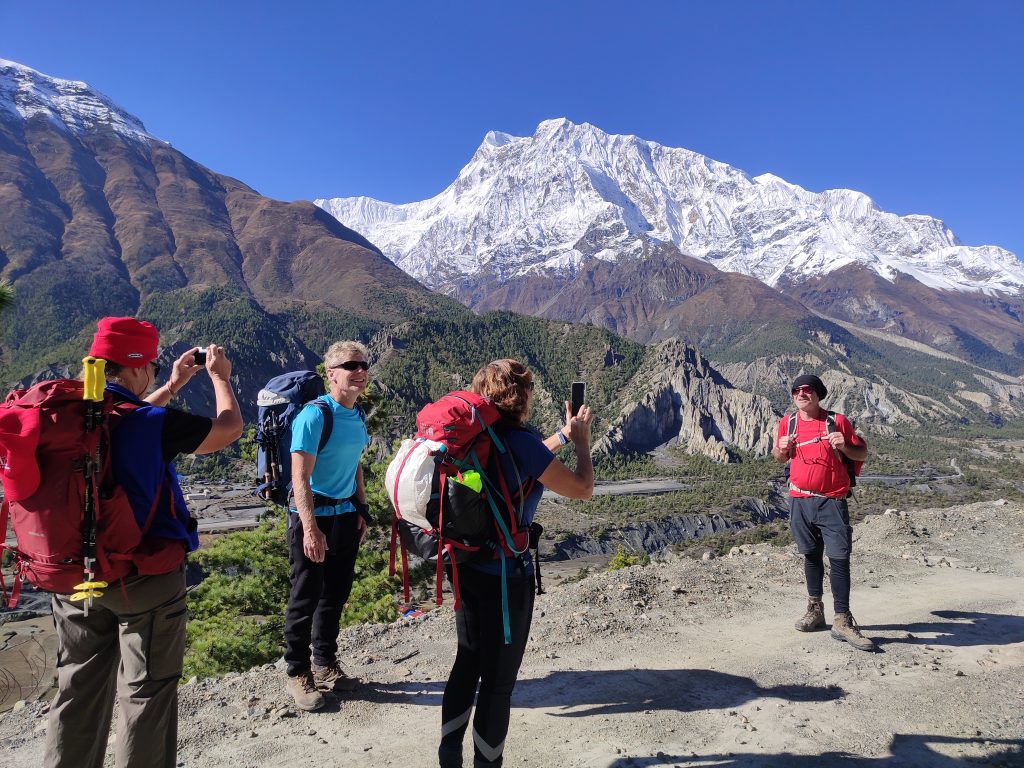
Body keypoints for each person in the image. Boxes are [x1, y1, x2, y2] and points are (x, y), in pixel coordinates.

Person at [45, 317, 243, 768]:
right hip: (142, 579)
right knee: (146, 695)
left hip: (72, 576)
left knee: (76, 690)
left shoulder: (70, 412)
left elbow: (126, 420)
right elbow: (228, 429)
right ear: (135, 367)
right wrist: (220, 379)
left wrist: (172, 385)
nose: (153, 372)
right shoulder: (148, 422)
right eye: (151, 364)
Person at [439, 359, 595, 768]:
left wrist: (562, 434)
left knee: (466, 663)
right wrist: (581, 442)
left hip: (468, 567)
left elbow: (521, 460)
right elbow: (582, 489)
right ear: (523, 397)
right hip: (507, 579)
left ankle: (448, 758)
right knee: (497, 684)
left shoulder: (478, 435)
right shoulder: (520, 440)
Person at [283, 341, 371, 711]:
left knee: (335, 594)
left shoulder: (357, 415)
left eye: (363, 364)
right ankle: (297, 672)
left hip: (345, 516)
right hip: (314, 517)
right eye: (349, 365)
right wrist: (309, 528)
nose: (359, 370)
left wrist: (362, 510)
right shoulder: (315, 415)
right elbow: (299, 478)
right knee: (305, 596)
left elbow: (354, 464)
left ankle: (325, 664)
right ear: (330, 374)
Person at [772, 373, 874, 652]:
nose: (801, 394)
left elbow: (861, 454)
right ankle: (815, 609)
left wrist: (844, 445)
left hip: (832, 501)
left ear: (818, 394)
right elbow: (780, 458)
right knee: (810, 554)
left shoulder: (837, 421)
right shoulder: (787, 422)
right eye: (796, 390)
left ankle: (843, 619)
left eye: (807, 390)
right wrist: (781, 450)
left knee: (839, 557)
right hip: (799, 500)